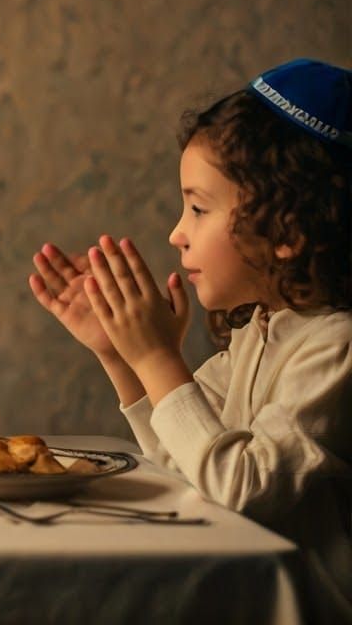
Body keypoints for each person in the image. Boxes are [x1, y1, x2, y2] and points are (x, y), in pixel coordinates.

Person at [29, 58, 352, 620]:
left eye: (199, 208)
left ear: (287, 230)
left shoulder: (336, 346)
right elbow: (185, 462)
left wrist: (156, 356)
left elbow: (241, 490)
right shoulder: (259, 331)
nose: (177, 233)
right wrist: (123, 357)